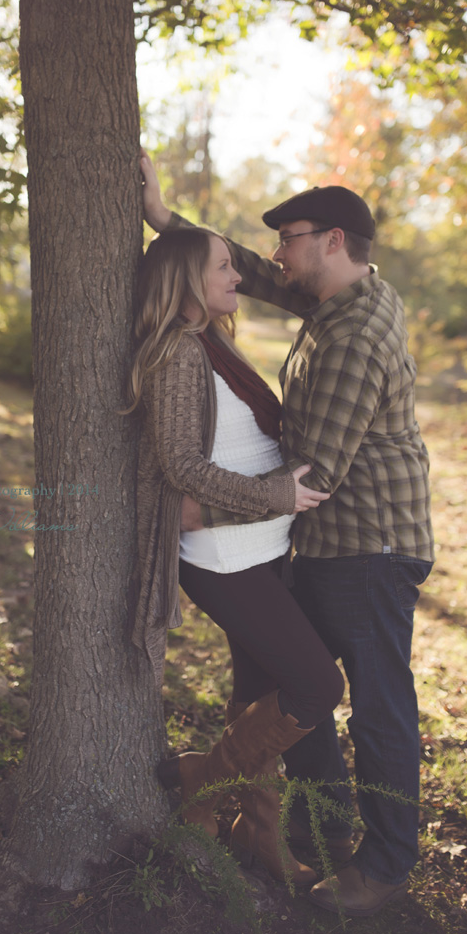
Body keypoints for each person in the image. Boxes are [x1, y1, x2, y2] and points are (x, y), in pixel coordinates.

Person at [140, 151, 434, 918]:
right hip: (319, 542)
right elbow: (245, 276)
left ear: (333, 240)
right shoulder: (341, 297)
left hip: (365, 544)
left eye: (289, 239)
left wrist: (203, 512)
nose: (272, 257)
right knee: (289, 690)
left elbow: (313, 478)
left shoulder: (351, 336)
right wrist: (167, 222)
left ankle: (384, 864)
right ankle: (315, 831)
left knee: (373, 706)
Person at [128, 225, 344, 885]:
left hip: (262, 547)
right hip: (223, 557)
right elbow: (183, 466)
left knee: (260, 693)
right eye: (224, 267)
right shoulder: (175, 354)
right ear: (190, 280)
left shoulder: (215, 345)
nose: (237, 276)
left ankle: (258, 831)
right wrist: (277, 492)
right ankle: (203, 779)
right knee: (316, 685)